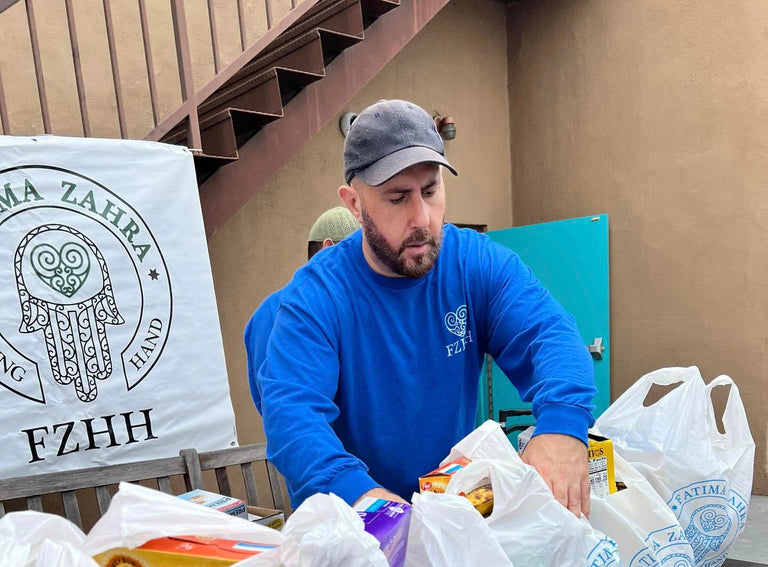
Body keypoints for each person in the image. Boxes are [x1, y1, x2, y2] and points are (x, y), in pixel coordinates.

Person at [258, 99, 597, 516]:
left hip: (453, 511)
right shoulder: (316, 297)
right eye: (398, 198)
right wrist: (363, 499)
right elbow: (293, 416)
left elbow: (549, 333)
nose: (422, 217)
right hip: (355, 526)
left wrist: (563, 427)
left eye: (431, 190)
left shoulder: (473, 262)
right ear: (354, 203)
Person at [244, 206, 359, 414]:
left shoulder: (264, 312)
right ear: (328, 248)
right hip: (324, 441)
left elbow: (265, 399)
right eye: (357, 249)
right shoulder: (331, 307)